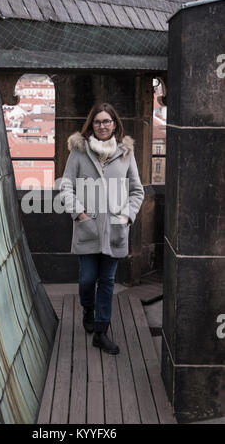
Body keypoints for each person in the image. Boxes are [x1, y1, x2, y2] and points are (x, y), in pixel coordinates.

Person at [60, 103, 144, 355]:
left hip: (116, 229)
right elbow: (66, 186)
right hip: (88, 228)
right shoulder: (79, 151)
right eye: (97, 122)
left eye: (107, 121)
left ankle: (101, 331)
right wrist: (80, 213)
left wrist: (127, 217)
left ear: (115, 124)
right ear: (91, 125)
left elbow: (137, 190)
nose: (102, 126)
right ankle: (88, 307)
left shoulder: (126, 153)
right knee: (87, 279)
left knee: (107, 282)